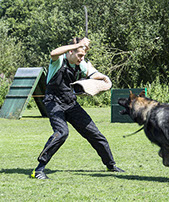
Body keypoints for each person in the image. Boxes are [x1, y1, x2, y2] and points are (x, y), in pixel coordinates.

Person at [31, 37, 124, 179]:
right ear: (70, 52)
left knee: (95, 133)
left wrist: (104, 79)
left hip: (71, 103)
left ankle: (110, 165)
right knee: (61, 133)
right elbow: (53, 53)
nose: (82, 58)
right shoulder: (59, 61)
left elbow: (92, 74)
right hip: (53, 102)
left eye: (83, 56)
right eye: (79, 55)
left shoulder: (80, 65)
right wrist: (78, 45)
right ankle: (39, 170)